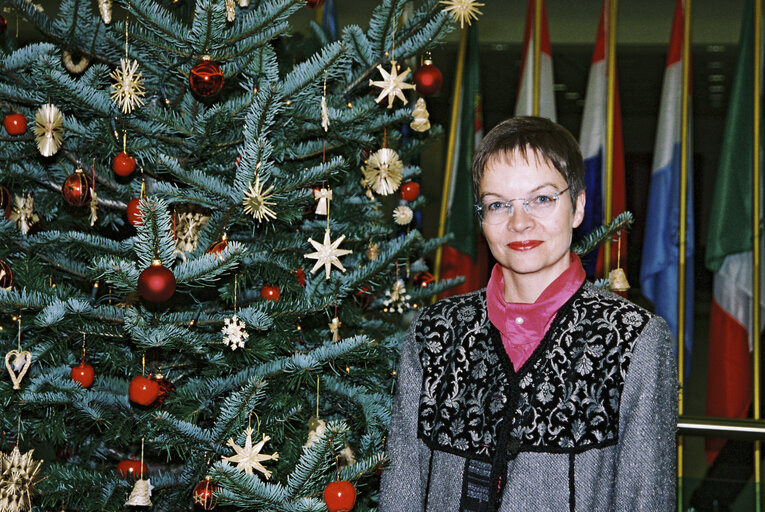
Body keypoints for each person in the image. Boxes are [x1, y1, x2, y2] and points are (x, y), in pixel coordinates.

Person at [379, 116, 678, 511]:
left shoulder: (631, 339)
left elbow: (646, 500)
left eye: (541, 199)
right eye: (498, 204)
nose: (520, 222)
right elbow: (400, 493)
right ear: (482, 219)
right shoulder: (435, 334)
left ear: (577, 207)